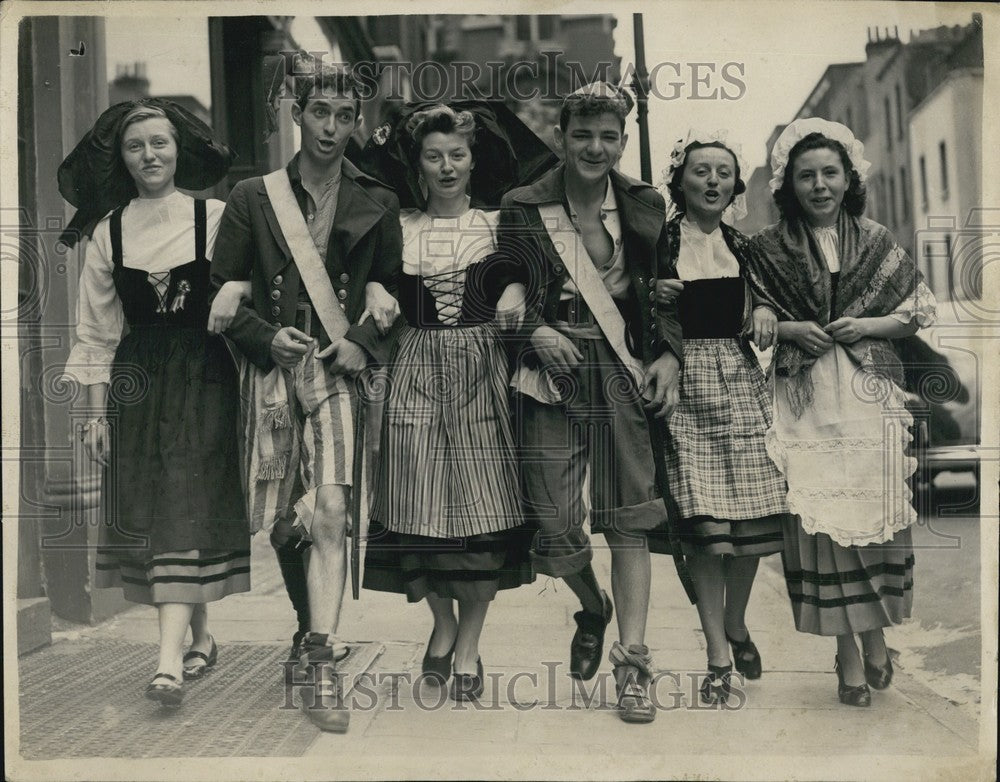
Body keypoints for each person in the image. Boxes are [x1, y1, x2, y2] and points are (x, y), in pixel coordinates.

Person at [210, 65, 403, 733]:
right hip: (267, 379)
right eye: (319, 111)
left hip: (334, 375)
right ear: (298, 113)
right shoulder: (252, 198)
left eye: (344, 115)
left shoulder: (377, 199)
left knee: (329, 510)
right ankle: (306, 628)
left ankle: (322, 660)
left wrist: (360, 344)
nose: (329, 127)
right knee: (281, 521)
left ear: (357, 120)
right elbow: (224, 298)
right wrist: (265, 337)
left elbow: (390, 296)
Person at [493, 82, 684, 724]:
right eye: (582, 134)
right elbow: (501, 284)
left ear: (623, 141)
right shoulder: (524, 203)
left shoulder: (644, 202)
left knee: (628, 515)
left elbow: (664, 292)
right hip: (551, 366)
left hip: (620, 367)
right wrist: (532, 332)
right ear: (562, 137)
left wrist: (669, 356)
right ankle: (592, 605)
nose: (594, 147)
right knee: (551, 521)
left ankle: (633, 665)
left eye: (608, 136)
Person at [59, 99, 246, 709]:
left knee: (183, 502)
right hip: (136, 384)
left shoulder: (215, 216)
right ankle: (200, 638)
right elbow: (95, 333)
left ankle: (166, 665)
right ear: (122, 158)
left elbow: (247, 283)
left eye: (160, 143)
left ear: (180, 148)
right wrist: (92, 413)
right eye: (136, 146)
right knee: (162, 505)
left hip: (204, 376)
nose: (150, 156)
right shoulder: (107, 231)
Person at [746, 118, 937, 707]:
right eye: (806, 175)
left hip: (867, 394)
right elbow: (752, 320)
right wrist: (788, 326)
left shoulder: (876, 240)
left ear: (848, 177)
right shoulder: (765, 249)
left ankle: (873, 637)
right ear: (789, 185)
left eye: (830, 172)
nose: (820, 185)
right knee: (823, 525)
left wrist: (868, 324)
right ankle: (850, 652)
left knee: (871, 519)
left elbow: (914, 312)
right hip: (804, 401)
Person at [360, 103, 539, 702]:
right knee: (418, 503)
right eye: (433, 156)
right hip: (414, 365)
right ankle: (441, 624)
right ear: (417, 165)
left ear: (472, 160)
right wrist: (376, 287)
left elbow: (525, 275)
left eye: (456, 155)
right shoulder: (399, 225)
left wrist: (513, 286)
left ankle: (468, 644)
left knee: (482, 508)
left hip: (481, 368)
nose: (446, 167)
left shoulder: (494, 224)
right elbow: (372, 274)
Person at [654, 131, 790, 704]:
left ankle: (737, 624)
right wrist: (649, 292)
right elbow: (624, 298)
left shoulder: (744, 244)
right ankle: (716, 656)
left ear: (735, 185)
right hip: (684, 388)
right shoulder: (657, 241)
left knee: (749, 529)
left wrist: (761, 307)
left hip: (740, 386)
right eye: (701, 171)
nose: (712, 181)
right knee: (708, 536)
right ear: (680, 181)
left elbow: (771, 296)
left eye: (723, 173)